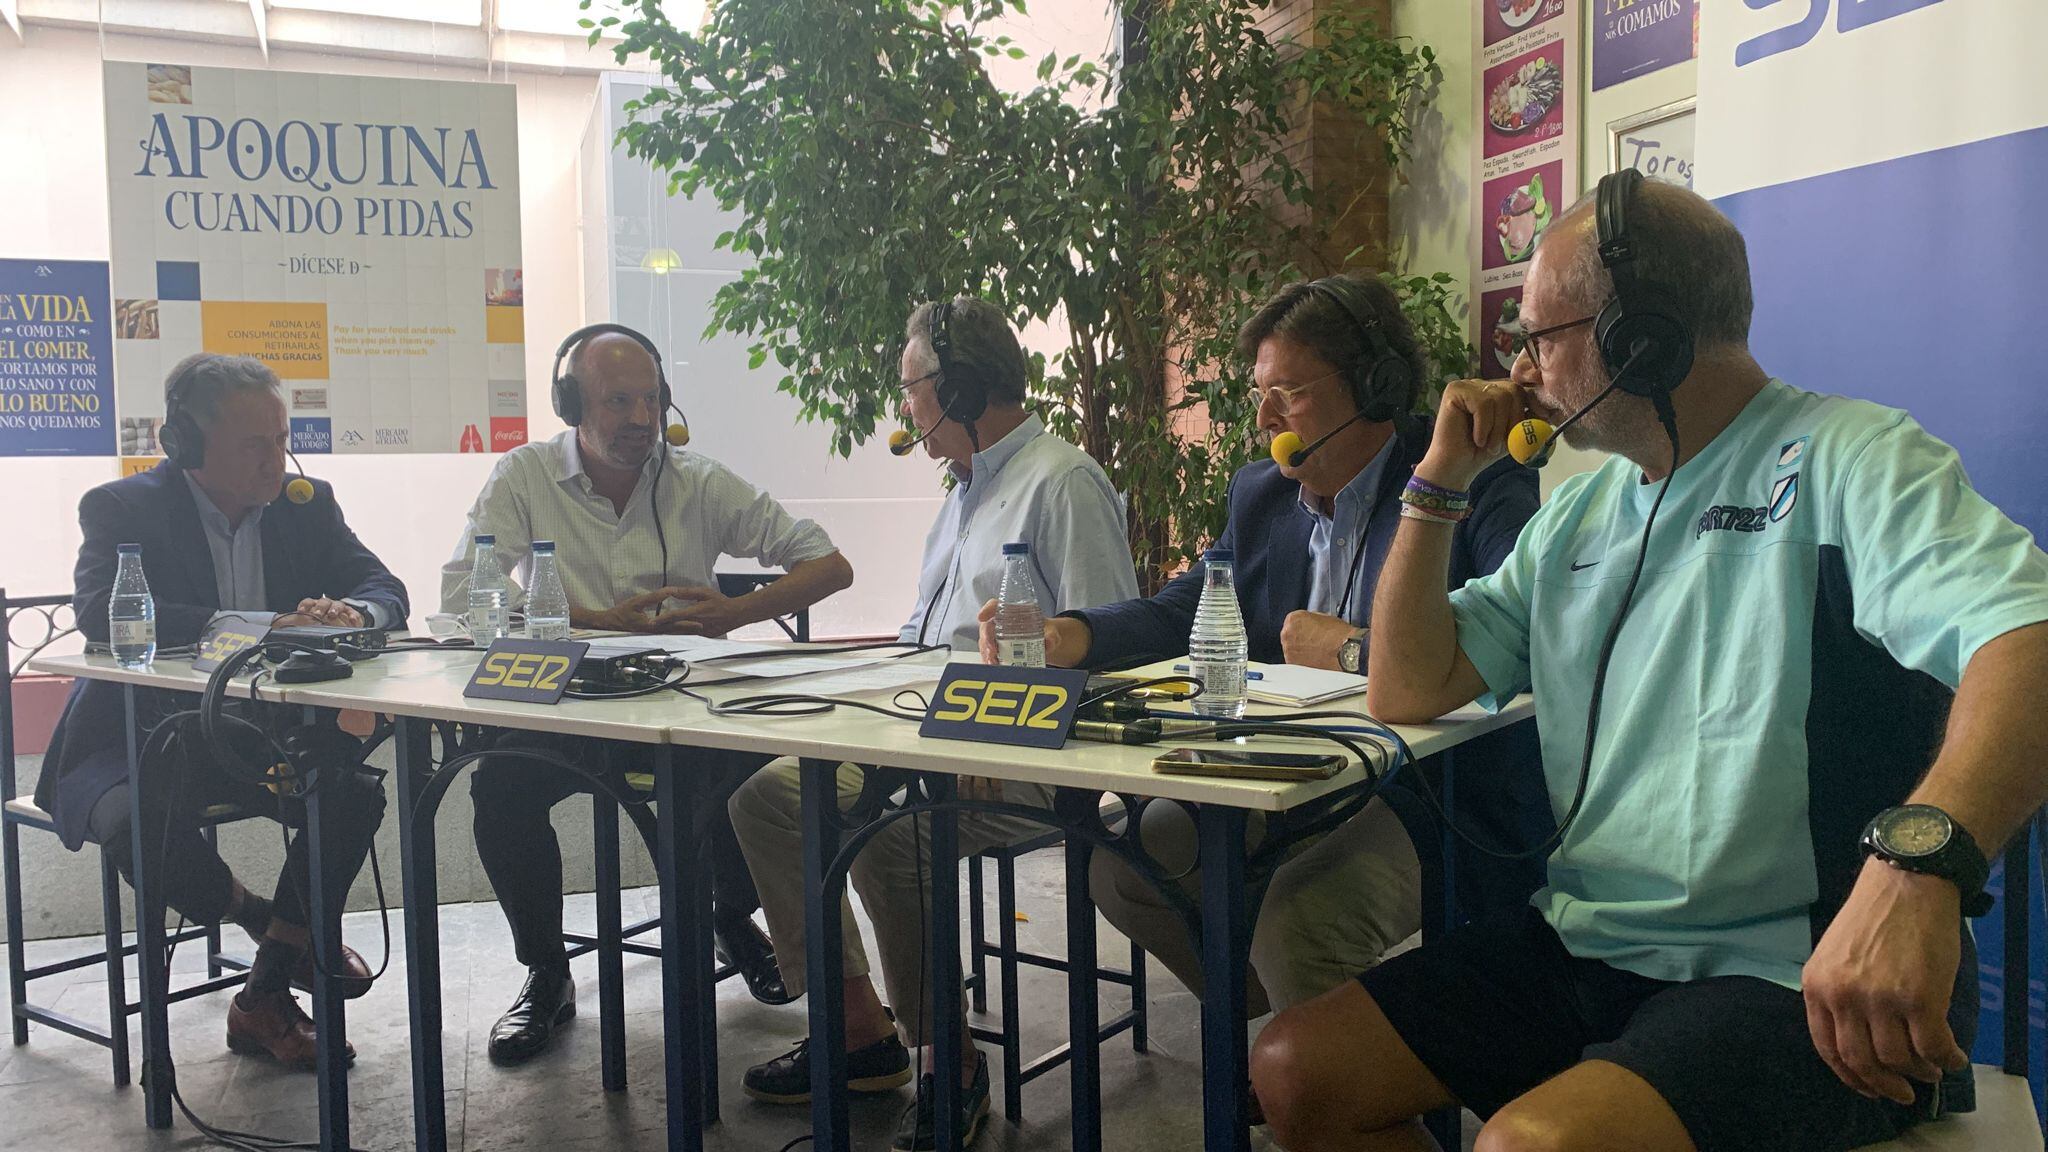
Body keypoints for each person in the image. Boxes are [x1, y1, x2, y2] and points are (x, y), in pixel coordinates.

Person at [1250, 173, 2048, 1152]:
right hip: (1587, 945)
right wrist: (1436, 480)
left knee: (1528, 1144)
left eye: (1540, 337)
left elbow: (2027, 636)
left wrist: (1921, 866)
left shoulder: (1850, 458)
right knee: (1296, 1073)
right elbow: (1407, 687)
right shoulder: (1582, 514)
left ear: (1642, 337)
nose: (1523, 370)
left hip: (1797, 978)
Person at [984, 272, 1546, 1017]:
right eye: (1259, 394)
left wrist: (1352, 650)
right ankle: (1282, 1040)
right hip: (1289, 769)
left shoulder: (1474, 475)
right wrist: (1075, 633)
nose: (1265, 418)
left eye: (1291, 393)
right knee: (1123, 871)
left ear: (1375, 387)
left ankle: (1338, 1091)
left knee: (1295, 923)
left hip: (1433, 791)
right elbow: (1191, 603)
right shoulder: (1262, 493)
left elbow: (1528, 627)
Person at [727, 296, 1138, 1150]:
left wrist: (1001, 724)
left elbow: (1115, 651)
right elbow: (928, 641)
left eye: (912, 388)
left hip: (1027, 750)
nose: (905, 408)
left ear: (959, 391)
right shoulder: (961, 494)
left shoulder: (1062, 481)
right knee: (766, 798)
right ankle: (859, 1035)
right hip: (920, 729)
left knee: (892, 829)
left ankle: (947, 1059)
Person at [442, 324, 854, 1063]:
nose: (641, 419)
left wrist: (735, 612)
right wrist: (589, 621)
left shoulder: (697, 479)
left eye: (653, 401)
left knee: (747, 782)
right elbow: (459, 596)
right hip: (564, 703)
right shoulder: (523, 477)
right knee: (498, 787)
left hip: (682, 706)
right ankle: (545, 971)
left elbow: (828, 565)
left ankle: (727, 915)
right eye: (618, 401)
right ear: (572, 404)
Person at [41, 353, 405, 1070]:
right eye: (255, 443)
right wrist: (263, 624)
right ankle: (268, 922)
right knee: (137, 829)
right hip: (138, 734)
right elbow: (96, 615)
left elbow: (383, 585)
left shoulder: (307, 503)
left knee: (350, 798)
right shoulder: (123, 508)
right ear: (186, 443)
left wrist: (352, 610)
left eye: (282, 437)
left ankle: (263, 992)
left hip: (259, 730)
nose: (278, 458)